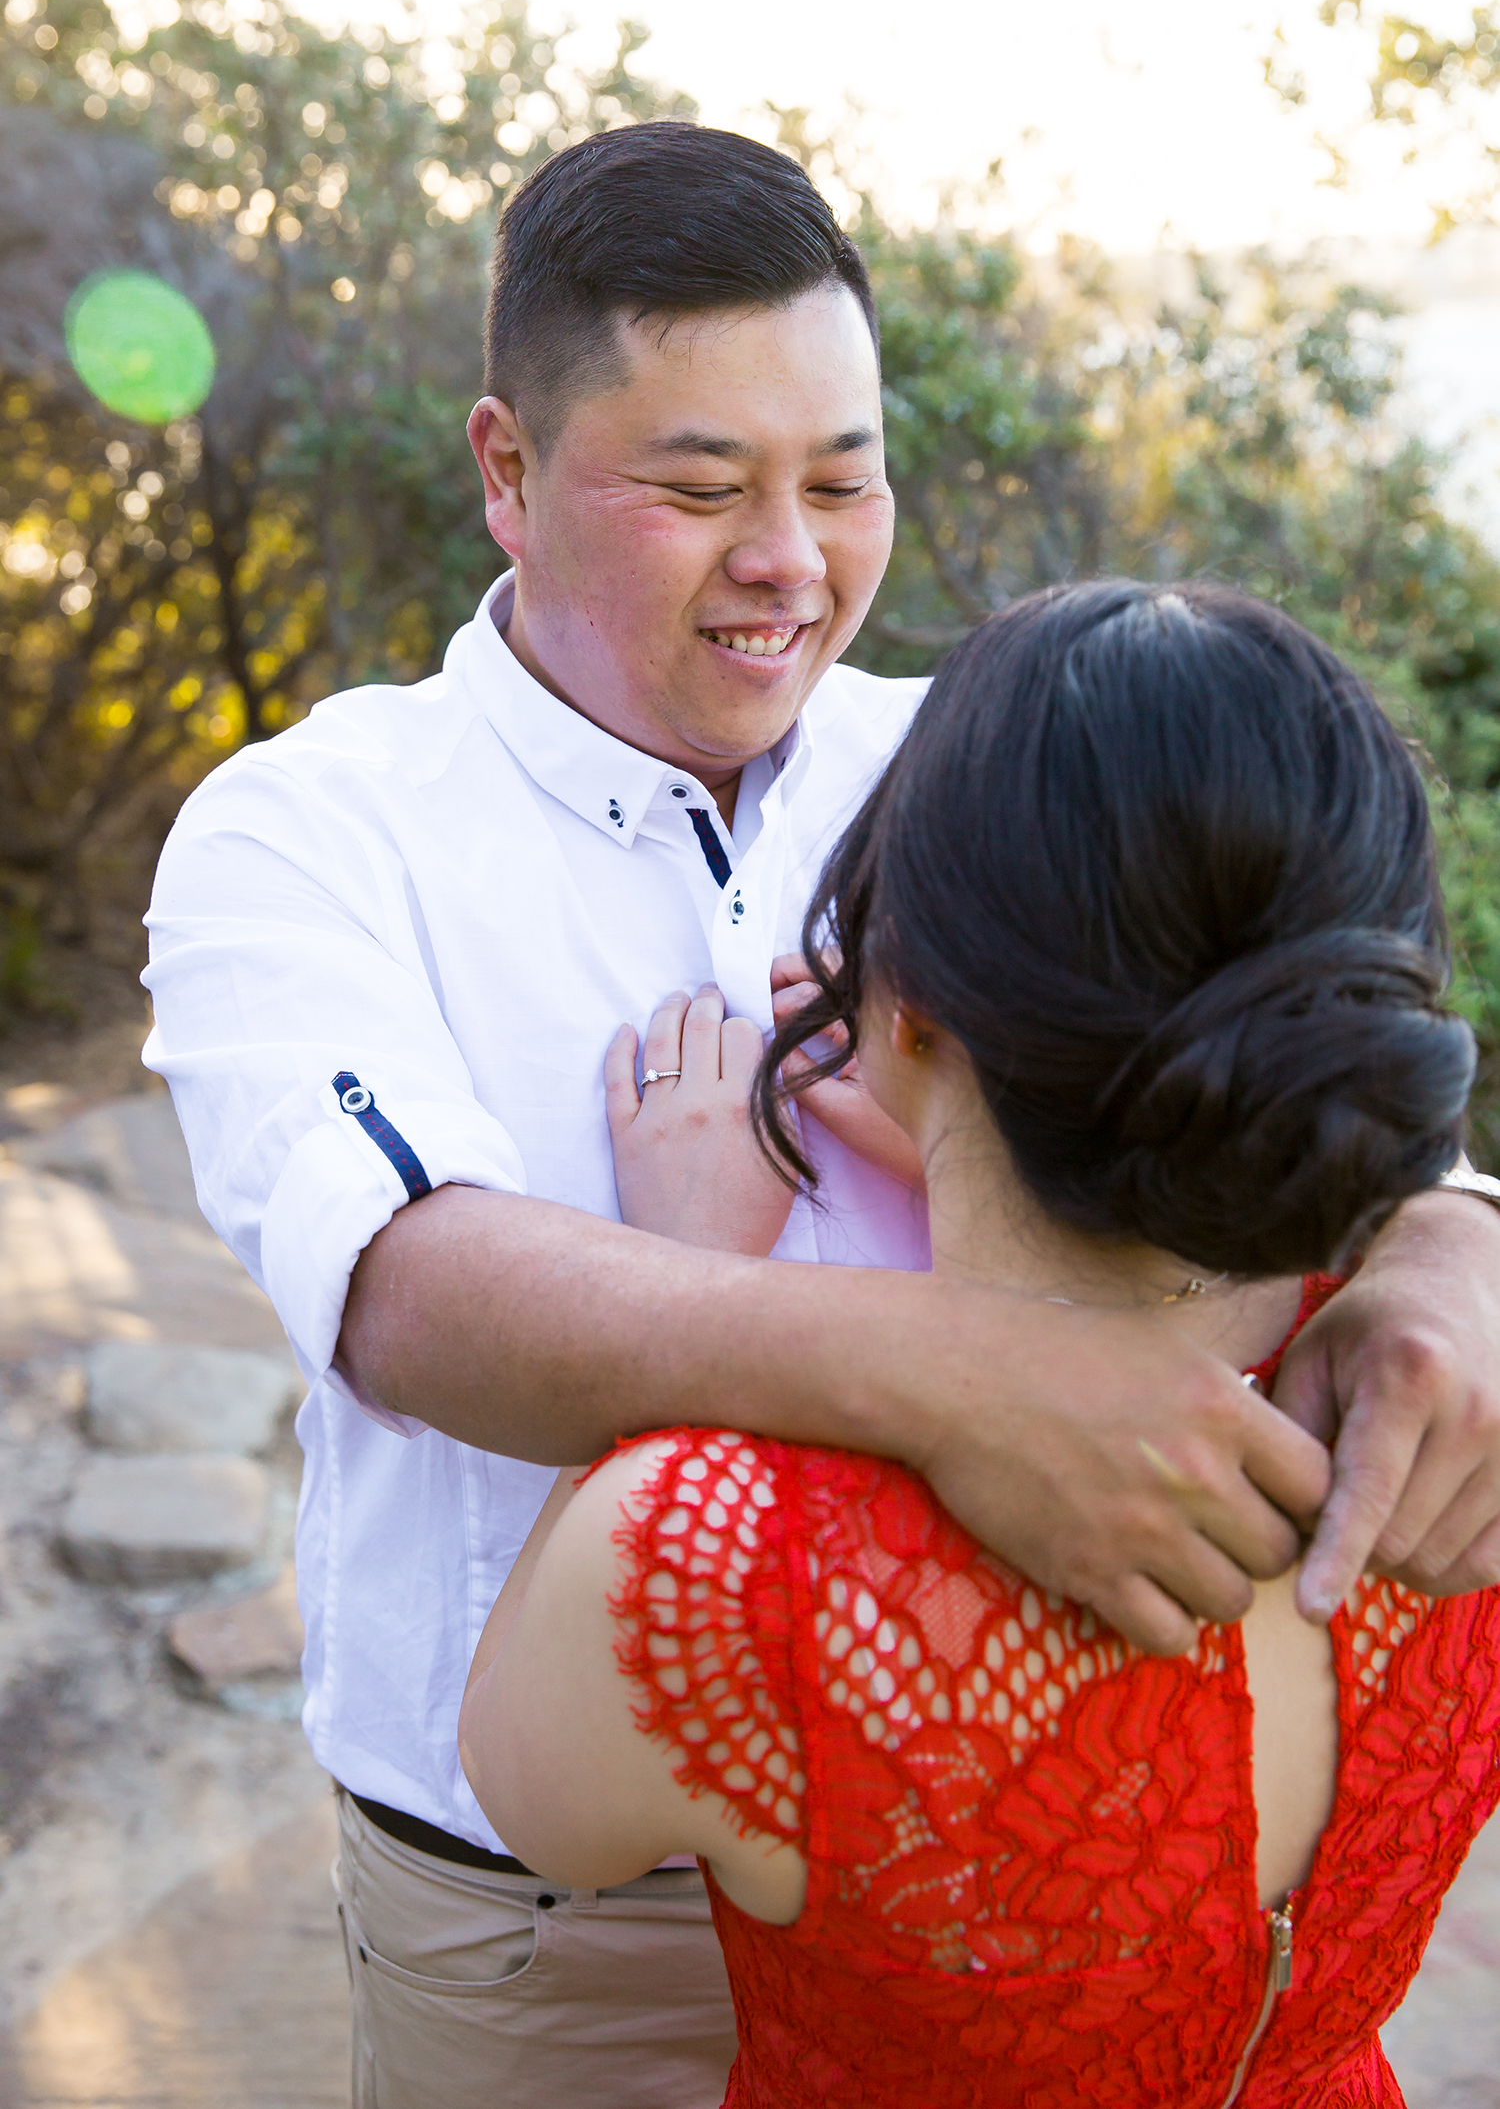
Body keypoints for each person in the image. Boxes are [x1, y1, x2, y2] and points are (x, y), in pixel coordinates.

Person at [142, 127, 1500, 2109]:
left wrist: (1454, 1229)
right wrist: (983, 1379)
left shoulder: (979, 757)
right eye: (702, 490)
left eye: (843, 479)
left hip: (1009, 1858)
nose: (794, 562)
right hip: (552, 1925)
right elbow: (419, 1293)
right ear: (506, 473)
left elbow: (1258, 1046)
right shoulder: (310, 830)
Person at [460, 580, 1500, 2107]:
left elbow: (533, 1801)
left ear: (908, 1004)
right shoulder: (1459, 1404)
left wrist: (682, 1259)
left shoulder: (708, 1557)